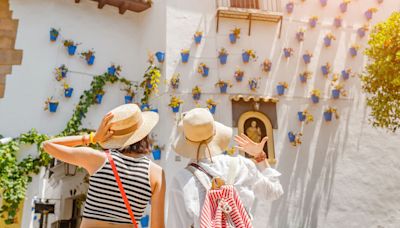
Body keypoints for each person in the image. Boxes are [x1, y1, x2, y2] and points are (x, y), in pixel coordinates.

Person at [42, 104, 165, 228]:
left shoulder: (98, 160)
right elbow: (158, 226)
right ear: (144, 134)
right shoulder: (156, 173)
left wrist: (92, 138)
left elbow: (48, 145)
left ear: (113, 135)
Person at [167, 108, 283, 227]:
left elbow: (176, 224)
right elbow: (274, 192)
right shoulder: (242, 166)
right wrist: (260, 157)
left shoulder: (181, 180)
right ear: (216, 134)